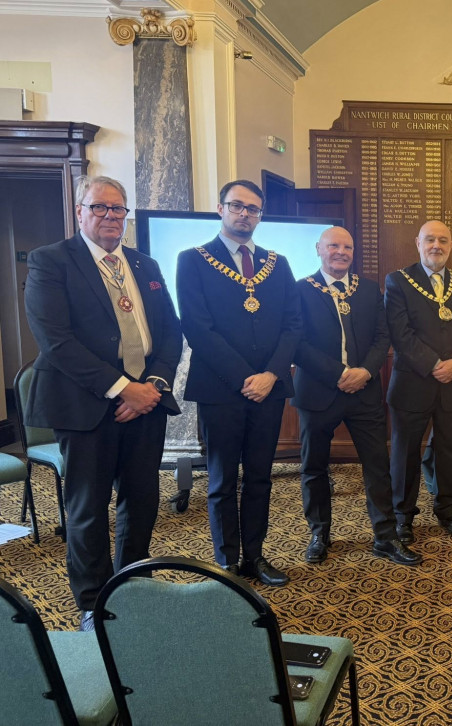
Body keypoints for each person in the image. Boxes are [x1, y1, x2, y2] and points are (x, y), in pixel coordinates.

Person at [24, 175, 182, 630]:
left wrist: (152, 386)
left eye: (118, 209)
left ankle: (132, 588)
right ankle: (94, 603)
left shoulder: (145, 264)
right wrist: (122, 388)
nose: (111, 216)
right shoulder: (51, 261)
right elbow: (56, 341)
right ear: (80, 211)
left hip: (146, 402)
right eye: (100, 207)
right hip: (85, 406)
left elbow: (170, 332)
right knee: (88, 509)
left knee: (141, 500)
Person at [176, 179, 302, 586]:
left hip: (269, 389)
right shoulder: (193, 260)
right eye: (237, 205)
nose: (244, 213)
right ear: (221, 208)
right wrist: (244, 378)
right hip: (220, 389)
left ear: (260, 215)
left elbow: (293, 325)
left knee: (260, 477)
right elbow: (198, 327)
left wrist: (270, 375)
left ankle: (255, 557)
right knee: (222, 481)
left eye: (253, 208)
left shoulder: (277, 263)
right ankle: (227, 562)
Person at [292, 226, 421, 566]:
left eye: (347, 247)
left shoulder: (367, 289)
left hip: (364, 391)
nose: (341, 252)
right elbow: (296, 343)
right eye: (333, 245)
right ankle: (319, 533)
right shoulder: (300, 290)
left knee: (378, 465)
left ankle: (385, 537)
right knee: (314, 467)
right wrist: (338, 374)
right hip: (318, 392)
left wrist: (365, 371)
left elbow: (383, 336)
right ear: (318, 249)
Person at [384, 220, 452, 544]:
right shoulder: (398, 281)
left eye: (442, 240)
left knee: (451, 451)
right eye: (430, 240)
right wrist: (434, 364)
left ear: (451, 245)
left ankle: (449, 511)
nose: (436, 245)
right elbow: (400, 333)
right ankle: (402, 516)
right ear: (418, 243)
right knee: (405, 454)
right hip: (412, 384)